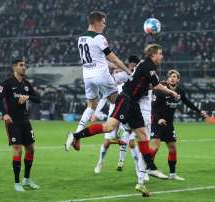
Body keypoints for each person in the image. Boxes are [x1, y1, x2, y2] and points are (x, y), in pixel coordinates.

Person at [65, 44, 180, 197]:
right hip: (125, 100)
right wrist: (171, 92)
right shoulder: (148, 65)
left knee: (143, 136)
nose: (162, 56)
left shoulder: (147, 66)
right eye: (160, 53)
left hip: (134, 104)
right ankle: (75, 136)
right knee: (109, 127)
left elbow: (149, 85)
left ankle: (140, 182)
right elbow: (157, 85)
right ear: (153, 55)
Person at [75, 11, 131, 150]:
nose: (104, 25)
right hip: (101, 75)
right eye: (103, 22)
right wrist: (128, 71)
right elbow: (113, 58)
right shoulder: (99, 37)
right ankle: (123, 128)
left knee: (91, 106)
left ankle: (76, 134)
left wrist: (114, 66)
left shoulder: (81, 38)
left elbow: (98, 59)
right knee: (119, 102)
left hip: (87, 76)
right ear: (96, 23)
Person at [151, 69, 207, 180]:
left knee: (172, 148)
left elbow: (187, 102)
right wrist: (159, 119)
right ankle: (147, 170)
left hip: (169, 124)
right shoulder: (161, 89)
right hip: (157, 122)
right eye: (171, 76)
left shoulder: (180, 91)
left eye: (175, 77)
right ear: (167, 78)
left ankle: (173, 174)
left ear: (178, 80)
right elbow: (153, 107)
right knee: (155, 147)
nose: (173, 78)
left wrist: (199, 111)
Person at [0, 58, 41, 192]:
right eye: (21, 65)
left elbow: (38, 99)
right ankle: (17, 183)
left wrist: (28, 97)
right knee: (18, 149)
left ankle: (26, 180)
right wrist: (4, 114)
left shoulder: (27, 84)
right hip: (13, 122)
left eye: (24, 65)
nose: (24, 67)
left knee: (31, 149)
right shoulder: (6, 83)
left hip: (25, 121)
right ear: (14, 67)